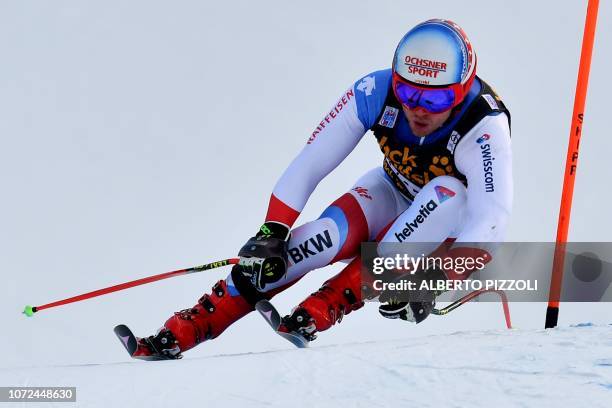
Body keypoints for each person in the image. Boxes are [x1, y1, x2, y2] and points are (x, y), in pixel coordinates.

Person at [133, 18, 512, 359]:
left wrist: (435, 281)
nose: (419, 109)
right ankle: (189, 327)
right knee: (317, 240)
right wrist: (273, 230)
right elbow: (311, 161)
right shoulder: (374, 91)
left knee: (446, 193)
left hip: (445, 229)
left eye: (436, 99)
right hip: (390, 188)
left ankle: (328, 303)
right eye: (408, 93)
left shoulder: (485, 127)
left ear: (461, 92)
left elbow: (490, 222)